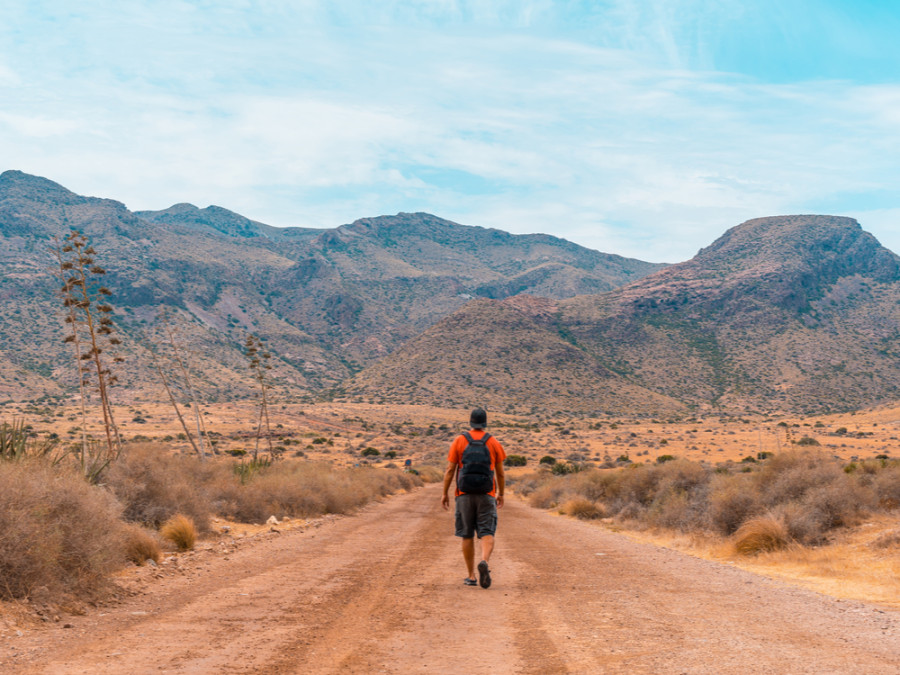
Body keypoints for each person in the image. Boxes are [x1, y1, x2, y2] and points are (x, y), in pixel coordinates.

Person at [441, 407, 506, 589]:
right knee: (487, 532)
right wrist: (501, 493)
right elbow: (500, 473)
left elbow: (450, 470)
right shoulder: (493, 442)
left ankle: (471, 576)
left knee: (467, 534)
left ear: (470, 422)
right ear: (485, 423)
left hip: (464, 495)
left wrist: (445, 492)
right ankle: (484, 560)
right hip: (486, 494)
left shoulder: (460, 441)